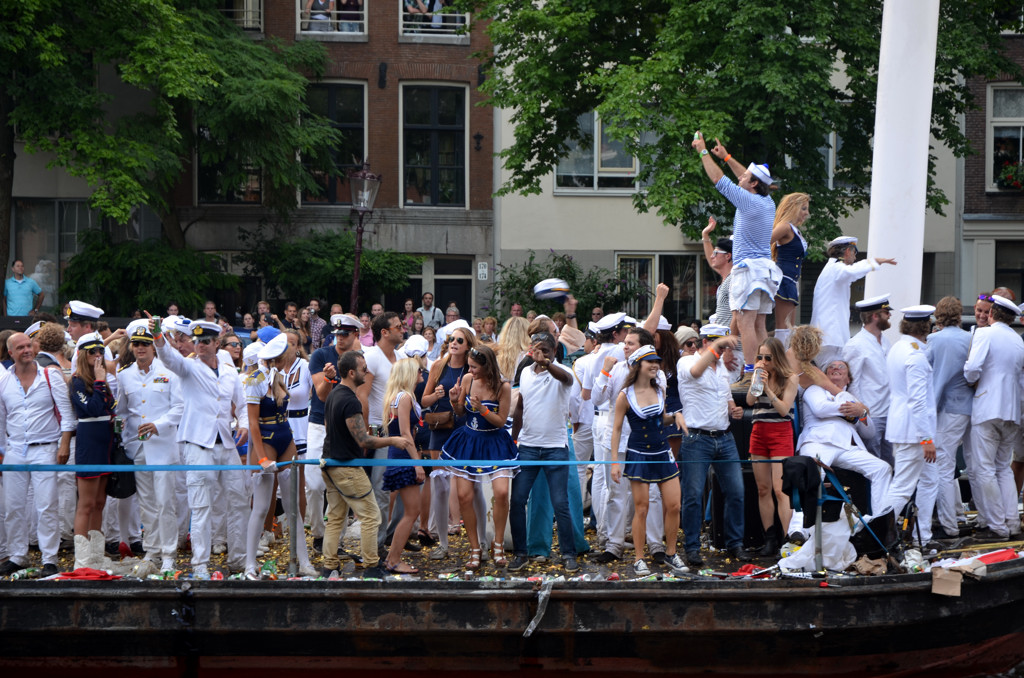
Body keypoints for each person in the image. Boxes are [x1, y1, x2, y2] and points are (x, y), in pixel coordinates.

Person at [153, 319, 250, 578]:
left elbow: (241, 404)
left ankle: (239, 559)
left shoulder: (229, 371)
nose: (200, 345)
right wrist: (158, 336)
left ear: (217, 343)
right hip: (198, 444)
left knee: (239, 501)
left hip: (226, 443)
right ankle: (200, 564)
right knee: (201, 506)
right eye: (197, 341)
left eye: (205, 341)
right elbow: (169, 358)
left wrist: (243, 424)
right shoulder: (189, 367)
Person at [692, 132, 781, 374]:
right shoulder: (767, 201)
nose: (740, 177)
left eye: (745, 177)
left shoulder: (748, 201)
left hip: (748, 270)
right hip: (765, 271)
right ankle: (767, 370)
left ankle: (753, 373)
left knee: (744, 323)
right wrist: (727, 157)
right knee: (760, 325)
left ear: (753, 184)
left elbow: (718, 179)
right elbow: (748, 177)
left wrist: (703, 151)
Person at [321, 351, 415, 578]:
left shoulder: (334, 395)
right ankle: (372, 567)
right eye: (364, 369)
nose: (368, 372)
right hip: (347, 467)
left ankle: (329, 566)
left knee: (335, 517)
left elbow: (334, 429)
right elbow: (363, 440)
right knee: (372, 516)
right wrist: (393, 440)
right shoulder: (350, 400)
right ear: (351, 373)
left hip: (330, 463)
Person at [0, 332, 75, 577]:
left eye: (29, 345)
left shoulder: (49, 375)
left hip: (45, 448)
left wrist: (64, 445)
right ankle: (17, 555)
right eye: (20, 347)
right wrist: (1, 452)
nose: (27, 350)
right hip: (15, 449)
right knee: (13, 507)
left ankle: (49, 558)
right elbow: (1, 420)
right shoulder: (4, 381)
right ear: (10, 353)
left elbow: (66, 414)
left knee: (46, 505)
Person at [609, 345, 688, 576]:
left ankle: (671, 553)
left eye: (656, 361)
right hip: (639, 453)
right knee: (641, 508)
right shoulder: (625, 395)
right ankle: (639, 558)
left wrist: (676, 416)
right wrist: (615, 462)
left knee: (674, 505)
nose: (655, 365)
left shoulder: (660, 389)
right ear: (638, 366)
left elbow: (661, 419)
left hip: (662, 452)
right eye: (649, 361)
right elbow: (616, 429)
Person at [439, 344, 518, 570]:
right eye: (469, 366)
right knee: (464, 496)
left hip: (495, 442)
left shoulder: (503, 386)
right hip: (469, 441)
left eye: (474, 367)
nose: (470, 370)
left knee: (502, 493)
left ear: (487, 366)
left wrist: (483, 409)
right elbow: (460, 414)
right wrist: (454, 401)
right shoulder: (467, 380)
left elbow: (501, 421)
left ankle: (498, 544)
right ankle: (475, 548)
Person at [243, 334, 316, 579]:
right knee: (261, 506)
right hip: (266, 441)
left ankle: (303, 561)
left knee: (293, 507)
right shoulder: (255, 380)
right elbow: (253, 423)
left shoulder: (280, 376)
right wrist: (261, 458)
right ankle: (249, 564)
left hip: (286, 437)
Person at [508, 332, 580, 572]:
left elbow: (566, 380)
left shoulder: (563, 372)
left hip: (555, 448)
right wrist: (514, 440)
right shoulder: (525, 373)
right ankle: (520, 553)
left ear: (554, 351)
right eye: (536, 350)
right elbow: (520, 407)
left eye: (546, 351)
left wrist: (547, 363)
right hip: (527, 447)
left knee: (560, 503)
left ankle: (568, 553)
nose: (540, 355)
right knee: (517, 501)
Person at [115, 321, 183, 572]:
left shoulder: (169, 372)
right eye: (136, 344)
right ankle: (152, 550)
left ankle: (169, 553)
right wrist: (122, 433)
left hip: (163, 447)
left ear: (154, 346)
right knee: (146, 503)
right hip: (137, 447)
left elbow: (179, 407)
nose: (140, 348)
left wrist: (159, 425)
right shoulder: (124, 375)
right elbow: (122, 411)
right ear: (131, 347)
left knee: (165, 502)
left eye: (145, 343)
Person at [677, 324, 747, 566]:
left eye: (724, 345)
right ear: (704, 342)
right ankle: (692, 547)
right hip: (697, 438)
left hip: (724, 437)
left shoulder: (721, 368)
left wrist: (734, 409)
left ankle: (735, 543)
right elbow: (696, 371)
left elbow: (726, 396)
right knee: (693, 496)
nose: (723, 350)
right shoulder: (687, 361)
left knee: (736, 492)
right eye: (719, 344)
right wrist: (719, 345)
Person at [963, 294, 1024, 541]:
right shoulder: (1018, 340)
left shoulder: (985, 333)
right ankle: (1012, 522)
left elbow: (971, 369)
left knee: (985, 468)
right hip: (1012, 410)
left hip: (987, 406)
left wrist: (972, 381)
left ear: (991, 314)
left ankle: (997, 526)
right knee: (1003, 469)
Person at [306, 313, 363, 553]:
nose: (340, 338)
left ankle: (335, 539)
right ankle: (319, 533)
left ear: (355, 335)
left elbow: (361, 396)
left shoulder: (359, 360)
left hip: (343, 426)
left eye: (345, 334)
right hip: (319, 423)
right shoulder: (321, 355)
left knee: (341, 487)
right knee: (314, 485)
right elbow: (321, 396)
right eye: (337, 333)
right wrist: (329, 379)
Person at [919, 296, 970, 546]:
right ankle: (958, 515)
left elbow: (926, 375)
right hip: (967, 407)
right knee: (956, 465)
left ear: (938, 316)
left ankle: (949, 526)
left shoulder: (934, 340)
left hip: (945, 408)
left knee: (942, 467)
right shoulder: (969, 338)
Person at [882, 305, 938, 528]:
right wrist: (926, 438)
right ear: (926, 327)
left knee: (929, 481)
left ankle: (922, 534)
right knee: (902, 488)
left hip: (905, 427)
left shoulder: (898, 347)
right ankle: (876, 533)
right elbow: (917, 401)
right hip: (913, 432)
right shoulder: (915, 355)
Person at [357, 312, 408, 550]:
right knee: (381, 489)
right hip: (378, 429)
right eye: (398, 326)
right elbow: (362, 396)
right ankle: (375, 547)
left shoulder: (401, 357)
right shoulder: (372, 357)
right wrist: (366, 433)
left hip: (401, 430)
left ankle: (391, 536)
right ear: (384, 332)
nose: (403, 329)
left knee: (406, 485)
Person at [745, 337, 798, 556]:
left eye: (768, 358)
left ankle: (787, 539)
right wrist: (757, 380)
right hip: (759, 431)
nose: (764, 361)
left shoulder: (790, 377)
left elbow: (784, 410)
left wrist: (768, 389)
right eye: (760, 357)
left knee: (780, 489)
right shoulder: (758, 374)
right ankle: (769, 537)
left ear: (777, 357)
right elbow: (750, 401)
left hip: (780, 432)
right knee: (763, 488)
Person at [810, 236, 897, 368]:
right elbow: (853, 272)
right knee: (833, 374)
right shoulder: (836, 268)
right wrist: (874, 262)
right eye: (855, 252)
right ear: (848, 251)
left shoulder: (832, 269)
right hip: (831, 338)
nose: (855, 257)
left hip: (829, 337)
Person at [380, 358, 427, 574]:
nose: (422, 374)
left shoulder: (397, 396)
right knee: (412, 511)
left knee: (410, 511)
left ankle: (392, 558)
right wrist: (417, 464)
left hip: (399, 455)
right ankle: (394, 560)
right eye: (418, 371)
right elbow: (406, 433)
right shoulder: (405, 397)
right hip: (404, 457)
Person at [843, 295, 894, 465]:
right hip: (872, 414)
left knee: (889, 464)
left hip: (889, 412)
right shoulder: (856, 344)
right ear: (875, 316)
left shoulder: (885, 341)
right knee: (873, 464)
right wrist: (863, 416)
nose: (890, 315)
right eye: (886, 312)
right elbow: (852, 383)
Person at [770, 193, 810, 346]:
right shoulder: (785, 227)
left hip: (791, 281)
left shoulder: (794, 229)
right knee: (783, 328)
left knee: (789, 329)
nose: (807, 213)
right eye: (804, 208)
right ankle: (779, 357)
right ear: (794, 207)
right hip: (784, 279)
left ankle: (784, 356)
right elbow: (763, 242)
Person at [700, 217, 734, 328]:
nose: (712, 256)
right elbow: (711, 261)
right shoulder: (727, 277)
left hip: (731, 336)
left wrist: (731, 335)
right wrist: (705, 235)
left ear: (728, 256)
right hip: (724, 335)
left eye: (716, 253)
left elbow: (738, 314)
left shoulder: (733, 279)